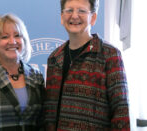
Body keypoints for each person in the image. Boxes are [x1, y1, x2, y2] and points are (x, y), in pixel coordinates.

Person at [44, 0, 130, 130]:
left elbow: (121, 111)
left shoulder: (109, 54)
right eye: (69, 10)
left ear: (93, 18)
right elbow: (49, 114)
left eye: (82, 11)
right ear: (62, 17)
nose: (74, 16)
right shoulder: (54, 58)